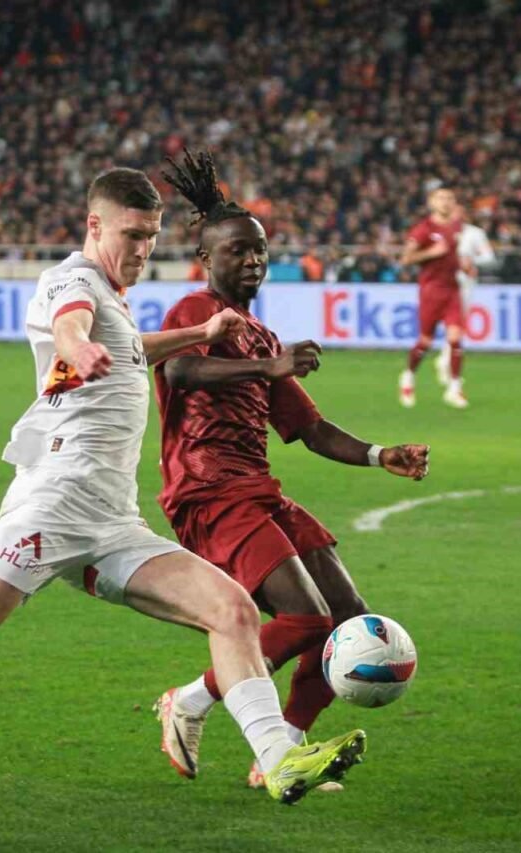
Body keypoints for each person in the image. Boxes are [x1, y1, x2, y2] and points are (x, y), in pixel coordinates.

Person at [0, 167, 367, 805]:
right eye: (131, 235)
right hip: (54, 506)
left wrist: (197, 335)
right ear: (95, 225)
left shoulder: (115, 297)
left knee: (233, 612)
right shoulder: (73, 281)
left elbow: (131, 347)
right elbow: (72, 324)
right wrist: (77, 348)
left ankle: (280, 762)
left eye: (151, 235)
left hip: (114, 519)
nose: (143, 249)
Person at [153, 151, 430, 791]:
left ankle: (281, 749)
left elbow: (308, 428)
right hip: (209, 492)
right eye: (238, 251)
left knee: (347, 616)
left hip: (257, 491)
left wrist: (379, 454)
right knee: (305, 619)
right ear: (206, 258)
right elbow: (180, 371)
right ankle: (188, 701)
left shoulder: (260, 334)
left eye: (260, 250)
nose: (253, 260)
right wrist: (267, 366)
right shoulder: (195, 310)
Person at [398, 187, 467, 409]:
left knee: (455, 339)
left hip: (452, 290)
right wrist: (431, 252)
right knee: (425, 342)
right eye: (441, 198)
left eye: (449, 198)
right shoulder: (423, 230)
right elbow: (405, 259)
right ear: (431, 203)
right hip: (431, 291)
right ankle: (408, 376)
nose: (445, 202)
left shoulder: (456, 227)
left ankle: (454, 389)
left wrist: (463, 265)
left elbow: (453, 256)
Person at [436, 204, 496, 388]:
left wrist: (471, 261)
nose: (456, 217)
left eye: (459, 213)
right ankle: (445, 362)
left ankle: (446, 362)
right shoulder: (439, 232)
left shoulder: (475, 233)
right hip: (442, 282)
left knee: (457, 324)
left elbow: (489, 257)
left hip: (464, 284)